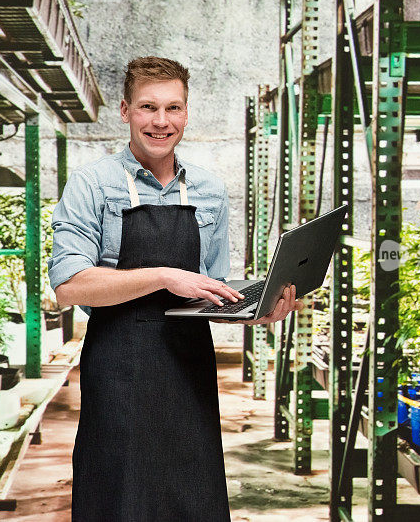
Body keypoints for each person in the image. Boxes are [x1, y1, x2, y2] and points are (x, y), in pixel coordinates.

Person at [48, 56, 300, 522]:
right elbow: (68, 285)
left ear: (186, 112)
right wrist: (162, 275)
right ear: (125, 110)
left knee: (191, 497)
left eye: (173, 108)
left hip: (187, 364)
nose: (161, 122)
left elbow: (213, 286)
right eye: (148, 107)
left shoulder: (208, 189)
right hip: (119, 366)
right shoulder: (92, 185)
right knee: (119, 496)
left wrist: (257, 308)